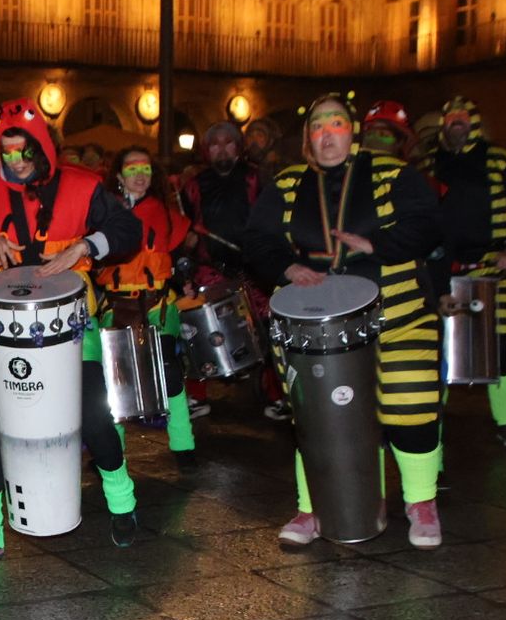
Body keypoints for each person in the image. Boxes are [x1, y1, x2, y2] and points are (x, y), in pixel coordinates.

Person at [245, 93, 446, 549]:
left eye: (337, 123)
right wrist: (287, 267)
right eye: (318, 126)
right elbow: (257, 239)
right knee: (316, 418)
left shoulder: (394, 173)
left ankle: (421, 503)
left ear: (351, 131)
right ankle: (310, 507)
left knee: (409, 406)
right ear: (307, 137)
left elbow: (429, 223)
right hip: (312, 327)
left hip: (398, 316)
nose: (327, 133)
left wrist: (377, 245)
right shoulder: (287, 182)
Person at [0, 98, 143, 564]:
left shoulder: (84, 186)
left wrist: (85, 245)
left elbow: (128, 231)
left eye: (24, 152)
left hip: (72, 328)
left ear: (45, 149)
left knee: (94, 418)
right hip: (0, 335)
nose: (15, 162)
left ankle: (122, 500)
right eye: (7, 153)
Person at [422, 95, 506, 455]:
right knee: (432, 346)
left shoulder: (502, 161)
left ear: (474, 122)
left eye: (463, 116)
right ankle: (430, 421)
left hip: (492, 266)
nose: (456, 121)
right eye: (450, 117)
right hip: (440, 267)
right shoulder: (428, 164)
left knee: (502, 344)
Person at [99, 147, 197, 468]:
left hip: (158, 304)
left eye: (145, 169)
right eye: (131, 169)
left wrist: (186, 279)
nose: (140, 175)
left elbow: (181, 252)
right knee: (114, 380)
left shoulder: (166, 213)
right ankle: (113, 450)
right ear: (119, 175)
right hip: (116, 304)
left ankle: (184, 445)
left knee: (168, 370)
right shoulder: (104, 212)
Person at [181, 121, 283, 420]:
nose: (222, 149)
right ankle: (196, 395)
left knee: (267, 329)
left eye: (228, 143)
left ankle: (277, 395)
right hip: (210, 269)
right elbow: (183, 226)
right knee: (197, 329)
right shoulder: (193, 185)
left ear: (237, 148)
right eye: (215, 144)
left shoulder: (256, 178)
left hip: (254, 269)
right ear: (206, 150)